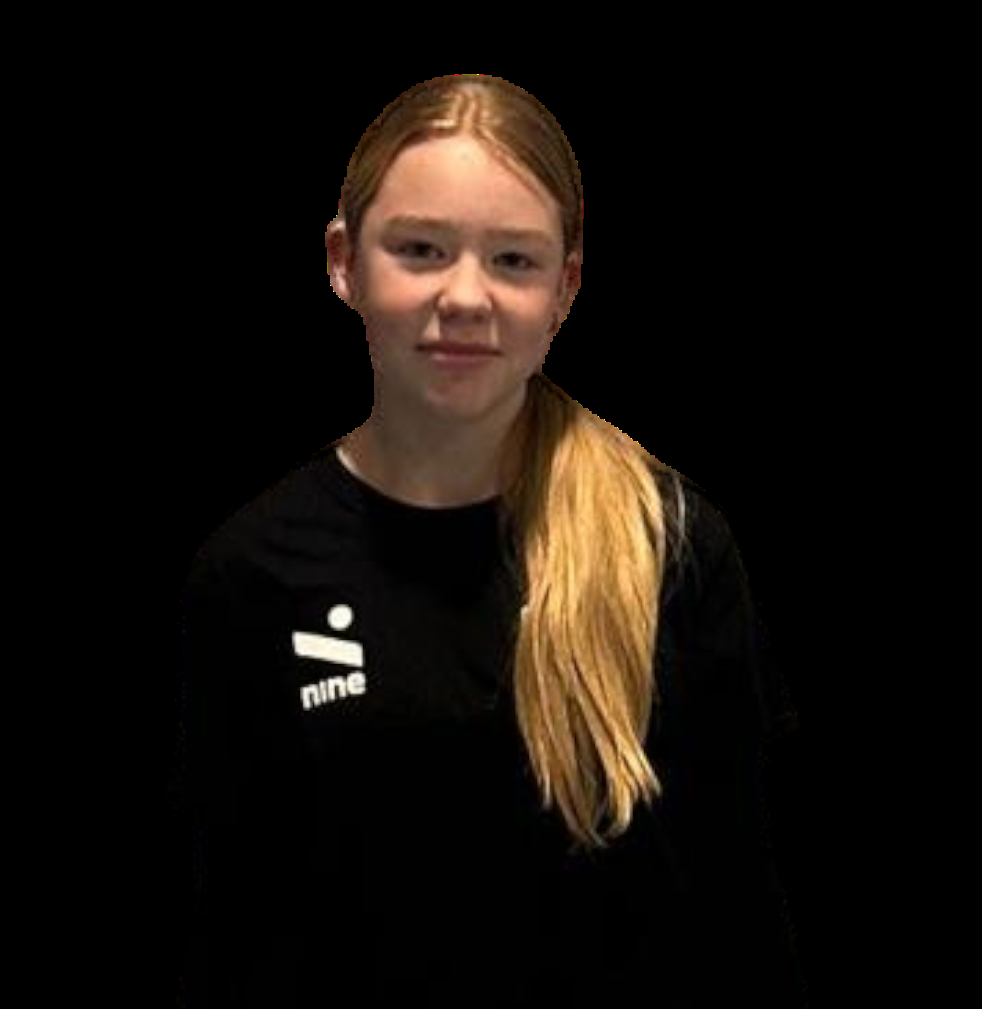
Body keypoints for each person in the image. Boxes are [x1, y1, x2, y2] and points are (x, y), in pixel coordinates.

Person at [173, 73, 806, 1006]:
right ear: (344, 262)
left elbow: (742, 907)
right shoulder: (254, 571)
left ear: (565, 286)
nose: (466, 295)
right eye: (420, 250)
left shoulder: (667, 542)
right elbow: (223, 924)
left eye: (513, 260)